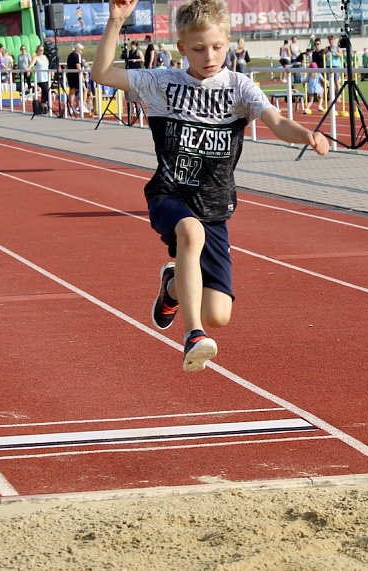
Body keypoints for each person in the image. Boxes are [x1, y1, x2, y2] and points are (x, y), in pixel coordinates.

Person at [92, 0, 330, 373]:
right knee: (190, 233)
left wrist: (305, 135)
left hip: (215, 205)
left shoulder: (239, 87)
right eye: (199, 49)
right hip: (170, 193)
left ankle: (172, 286)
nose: (209, 56)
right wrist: (116, 21)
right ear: (182, 48)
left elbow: (278, 122)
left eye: (217, 47)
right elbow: (103, 72)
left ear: (230, 42)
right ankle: (193, 335)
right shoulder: (161, 83)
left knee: (220, 313)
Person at [29, 45, 50, 113]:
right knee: (45, 90)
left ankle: (44, 105)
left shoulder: (45, 57)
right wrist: (29, 69)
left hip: (46, 77)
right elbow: (32, 64)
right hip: (40, 78)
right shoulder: (36, 57)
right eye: (40, 50)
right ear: (37, 50)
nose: (41, 52)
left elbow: (47, 65)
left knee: (46, 91)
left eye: (42, 50)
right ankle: (43, 104)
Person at [66, 43, 84, 116]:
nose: (82, 52)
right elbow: (78, 64)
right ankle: (75, 106)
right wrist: (81, 74)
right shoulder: (77, 55)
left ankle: (71, 106)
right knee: (77, 90)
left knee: (72, 90)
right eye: (82, 50)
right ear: (78, 49)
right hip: (75, 75)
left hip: (70, 74)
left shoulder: (70, 55)